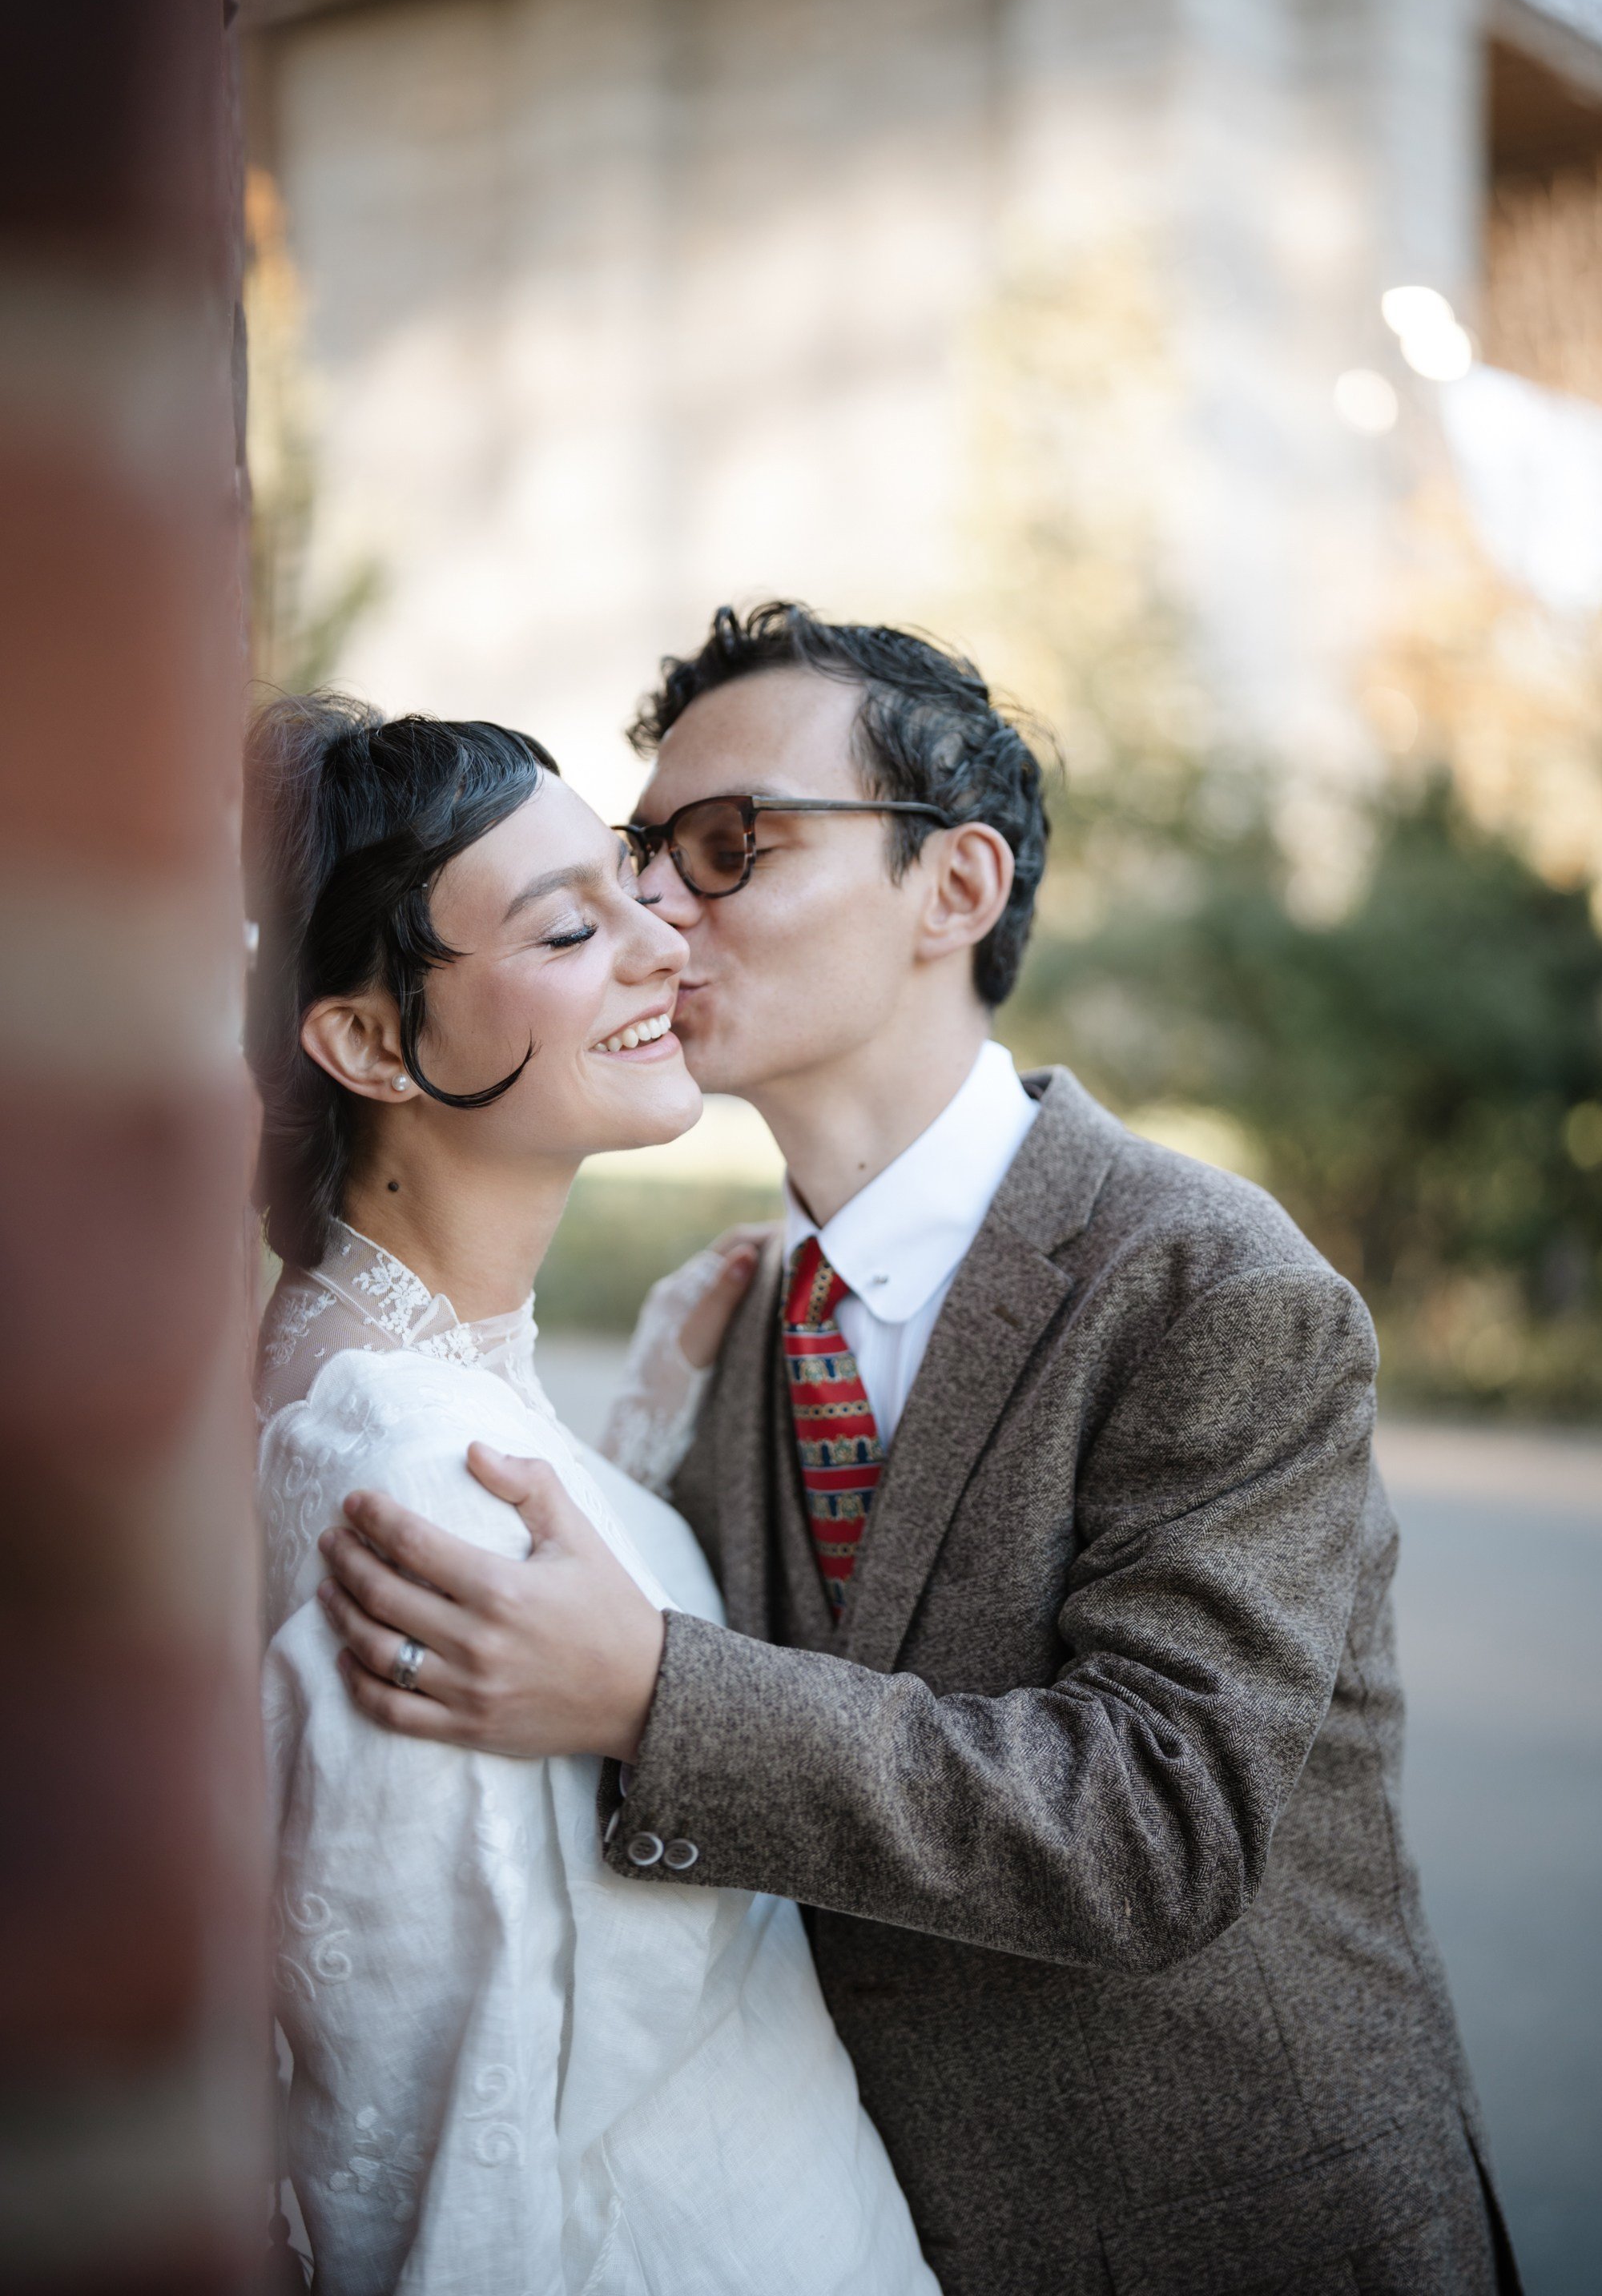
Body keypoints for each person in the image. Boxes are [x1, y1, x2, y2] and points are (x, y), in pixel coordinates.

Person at [320, 605, 1523, 2296]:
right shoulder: (731, 1320)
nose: (657, 910)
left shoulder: (1212, 1287)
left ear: (954, 887)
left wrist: (653, 1695)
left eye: (728, 847)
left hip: (1246, 2240)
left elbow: (1160, 1822)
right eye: (641, 856)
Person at [246, 691, 938, 2295]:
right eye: (570, 931)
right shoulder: (420, 1496)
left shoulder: (381, 1373)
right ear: (366, 1042)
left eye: (634, 887)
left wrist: (642, 1428)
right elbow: (444, 2143)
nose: (662, 943)